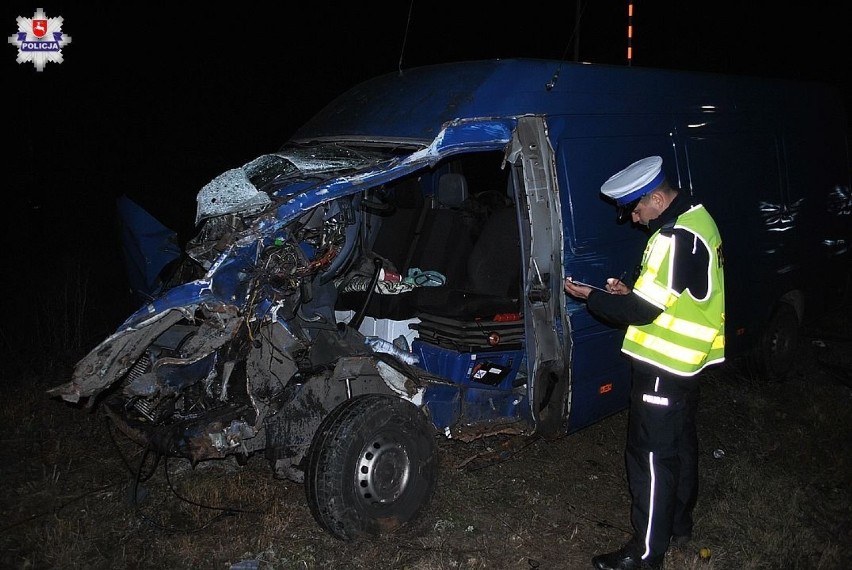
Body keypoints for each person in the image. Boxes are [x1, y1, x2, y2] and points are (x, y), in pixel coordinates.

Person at [564, 156, 725, 570]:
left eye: (636, 208)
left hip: (662, 367)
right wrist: (630, 290)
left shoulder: (670, 237)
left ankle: (646, 553)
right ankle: (677, 525)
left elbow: (641, 311)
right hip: (688, 365)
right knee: (680, 447)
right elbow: (676, 290)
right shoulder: (698, 219)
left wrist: (592, 297)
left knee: (650, 458)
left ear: (656, 198)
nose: (633, 218)